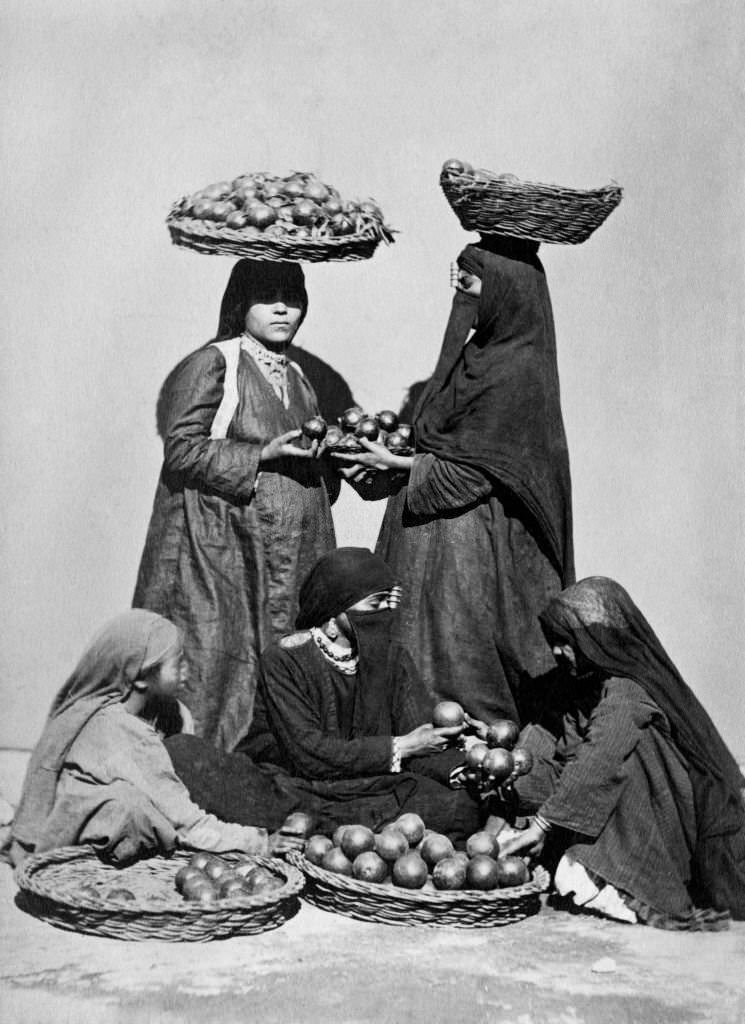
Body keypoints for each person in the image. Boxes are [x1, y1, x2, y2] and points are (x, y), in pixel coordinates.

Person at [334, 235, 574, 727]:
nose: (461, 285)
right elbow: (441, 447)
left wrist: (402, 467)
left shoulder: (519, 368)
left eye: (473, 275)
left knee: (458, 658)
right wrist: (385, 462)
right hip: (423, 538)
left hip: (471, 551)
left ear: (506, 289)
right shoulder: (476, 355)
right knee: (410, 649)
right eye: (459, 272)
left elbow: (479, 471)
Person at [133, 258, 337, 751]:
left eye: (294, 298)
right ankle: (203, 768)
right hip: (228, 553)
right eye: (269, 299)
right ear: (240, 304)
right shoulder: (214, 362)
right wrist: (261, 453)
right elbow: (181, 449)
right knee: (220, 668)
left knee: (283, 663)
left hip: (288, 556)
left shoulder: (298, 376)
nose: (283, 310)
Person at [168, 548, 482, 842]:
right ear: (334, 612)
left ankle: (332, 833)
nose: (386, 611)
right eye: (376, 603)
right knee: (186, 756)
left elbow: (419, 738)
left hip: (368, 786)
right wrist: (402, 746)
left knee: (462, 805)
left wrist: (457, 769)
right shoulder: (284, 660)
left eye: (389, 602)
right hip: (291, 784)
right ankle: (350, 832)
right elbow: (309, 755)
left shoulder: (393, 658)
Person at [498, 577, 745, 929]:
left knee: (617, 753)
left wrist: (540, 826)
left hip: (661, 818)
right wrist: (507, 771)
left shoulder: (627, 691)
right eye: (553, 643)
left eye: (565, 643)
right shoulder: (581, 689)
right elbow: (557, 758)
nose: (556, 653)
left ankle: (631, 882)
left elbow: (599, 758)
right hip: (606, 801)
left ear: (593, 641)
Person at [9, 611, 303, 867]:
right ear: (140, 678)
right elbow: (187, 823)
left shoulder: (157, 713)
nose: (188, 669)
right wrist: (260, 843)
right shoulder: (124, 734)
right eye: (179, 662)